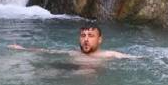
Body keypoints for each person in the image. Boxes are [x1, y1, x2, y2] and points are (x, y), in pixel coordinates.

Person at [7, 24, 135, 60]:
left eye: (90, 36)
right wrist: (22, 49)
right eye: (83, 35)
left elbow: (135, 58)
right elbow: (48, 51)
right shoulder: (72, 53)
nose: (86, 39)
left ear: (99, 39)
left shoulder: (110, 55)